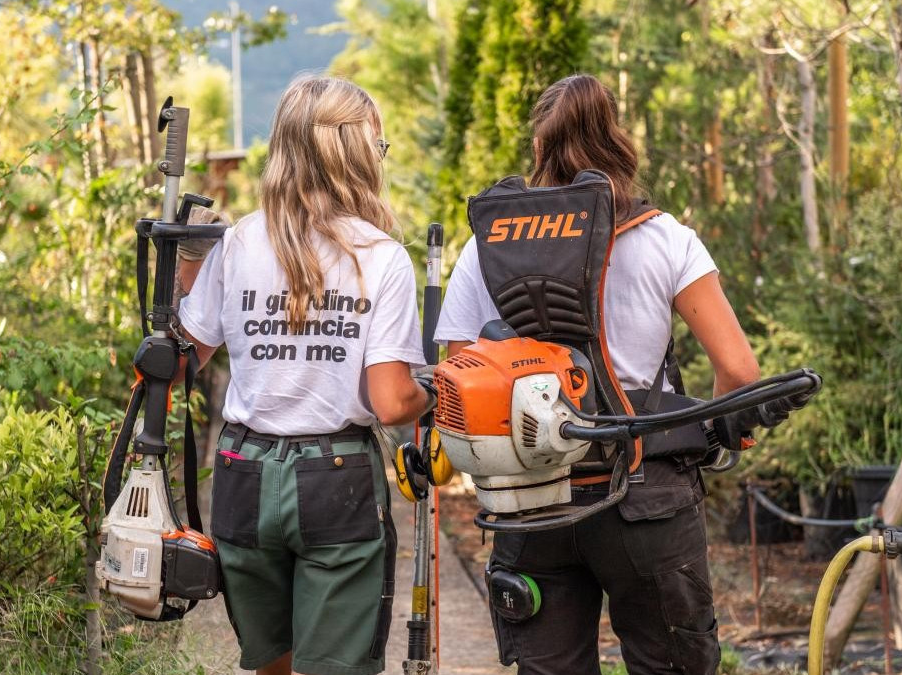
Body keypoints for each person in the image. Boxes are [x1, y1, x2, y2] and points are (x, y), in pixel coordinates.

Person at [433, 74, 761, 675]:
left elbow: (459, 374)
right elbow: (739, 370)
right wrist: (718, 440)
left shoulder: (488, 244)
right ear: (618, 142)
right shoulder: (665, 238)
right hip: (646, 494)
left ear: (539, 147)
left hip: (531, 500)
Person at [175, 75, 435, 675]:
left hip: (242, 472)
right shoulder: (380, 256)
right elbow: (392, 402)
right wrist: (434, 388)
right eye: (378, 146)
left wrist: (189, 270)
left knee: (272, 663)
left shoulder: (237, 242)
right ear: (356, 153)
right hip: (336, 480)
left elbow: (187, 358)